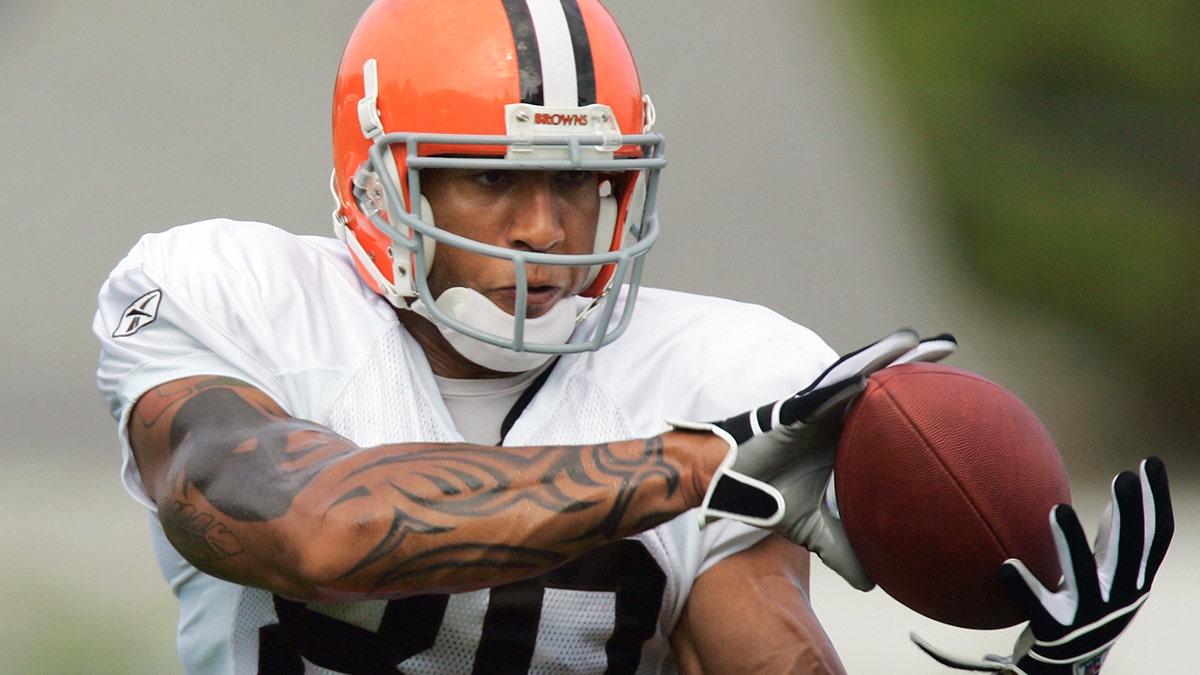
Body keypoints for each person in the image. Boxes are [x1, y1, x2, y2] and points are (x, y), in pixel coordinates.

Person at [93, 1, 1172, 673]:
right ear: (380, 181)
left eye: (584, 181)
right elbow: (313, 530)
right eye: (492, 178)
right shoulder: (226, 292)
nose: (547, 228)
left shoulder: (717, 368)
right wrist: (694, 465)